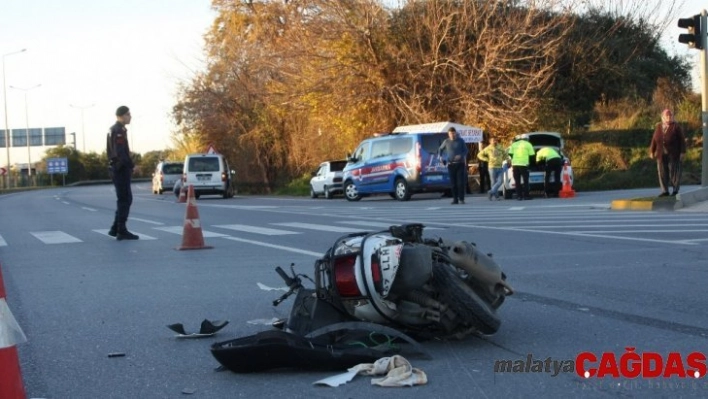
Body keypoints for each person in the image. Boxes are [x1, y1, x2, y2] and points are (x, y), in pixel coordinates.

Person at [107, 105, 139, 240]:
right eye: (128, 114)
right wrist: (132, 166)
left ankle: (116, 228)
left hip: (117, 168)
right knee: (125, 199)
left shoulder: (115, 130)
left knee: (123, 198)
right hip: (120, 169)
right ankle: (121, 229)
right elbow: (120, 152)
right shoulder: (118, 131)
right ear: (121, 116)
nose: (130, 117)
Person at [649, 108, 686, 197]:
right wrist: (651, 151)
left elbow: (682, 140)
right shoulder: (658, 126)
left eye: (670, 115)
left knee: (674, 173)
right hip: (661, 154)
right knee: (662, 173)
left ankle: (675, 190)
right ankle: (665, 191)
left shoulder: (676, 127)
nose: (669, 117)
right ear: (663, 117)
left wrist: (682, 152)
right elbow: (654, 139)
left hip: (674, 154)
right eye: (667, 115)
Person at [438, 127, 469, 204]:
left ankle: (461, 199)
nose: (452, 135)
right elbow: (440, 149)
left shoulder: (460, 141)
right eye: (450, 134)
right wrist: (441, 157)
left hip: (460, 164)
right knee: (453, 183)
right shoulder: (446, 141)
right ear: (448, 134)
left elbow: (466, 150)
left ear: (455, 133)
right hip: (451, 165)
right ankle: (455, 199)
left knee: (460, 183)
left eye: (453, 133)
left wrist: (461, 155)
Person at [477, 136, 506, 200]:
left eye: (495, 140)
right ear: (490, 142)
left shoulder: (500, 147)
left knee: (500, 181)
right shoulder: (488, 148)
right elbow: (479, 155)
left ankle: (490, 192)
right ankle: (496, 196)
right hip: (492, 167)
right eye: (493, 140)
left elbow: (505, 154)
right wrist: (486, 159)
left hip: (500, 167)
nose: (495, 141)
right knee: (493, 182)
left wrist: (504, 159)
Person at [508, 134, 535, 200]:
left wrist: (514, 160)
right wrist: (531, 164)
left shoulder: (514, 144)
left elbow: (510, 154)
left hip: (515, 165)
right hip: (524, 164)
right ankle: (526, 196)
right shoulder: (528, 144)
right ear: (527, 139)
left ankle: (519, 196)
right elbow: (532, 156)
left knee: (517, 181)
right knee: (525, 181)